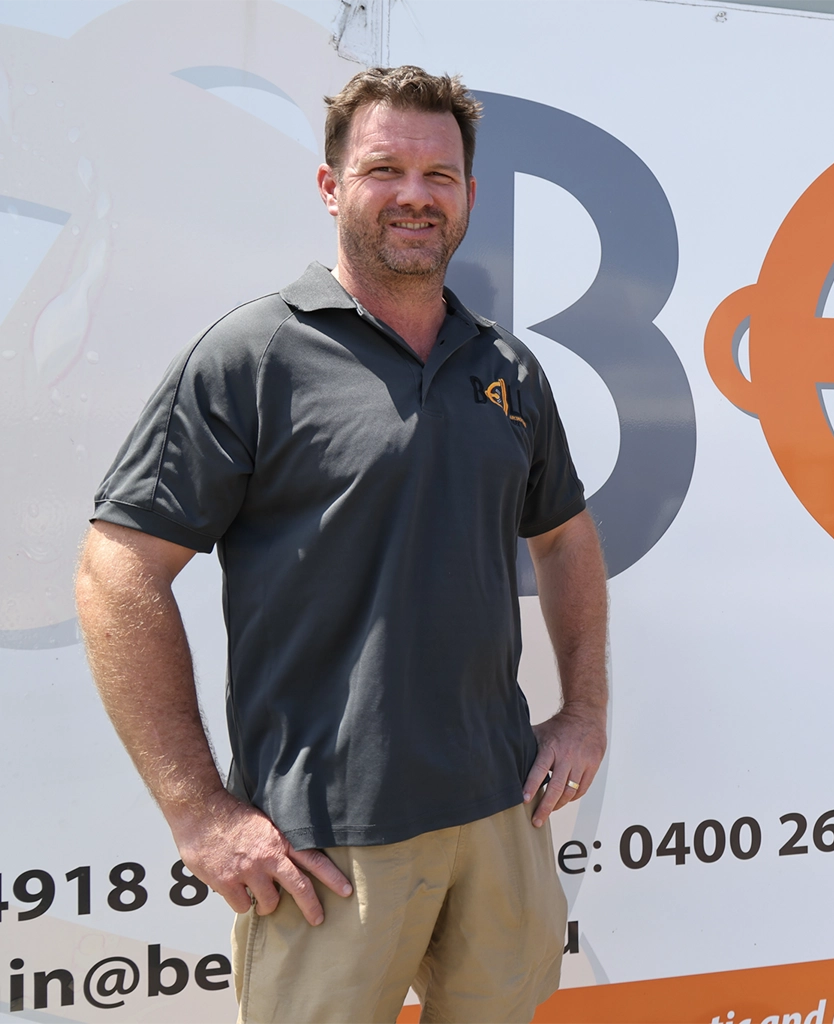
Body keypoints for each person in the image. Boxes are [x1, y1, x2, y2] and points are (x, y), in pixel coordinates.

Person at [73, 66, 607, 1024]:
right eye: (383, 169)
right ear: (331, 187)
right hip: (325, 844)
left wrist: (585, 711)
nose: (414, 195)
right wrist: (198, 812)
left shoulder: (504, 367)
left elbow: (565, 540)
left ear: (469, 199)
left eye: (439, 176)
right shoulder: (253, 357)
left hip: (499, 812)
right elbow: (118, 570)